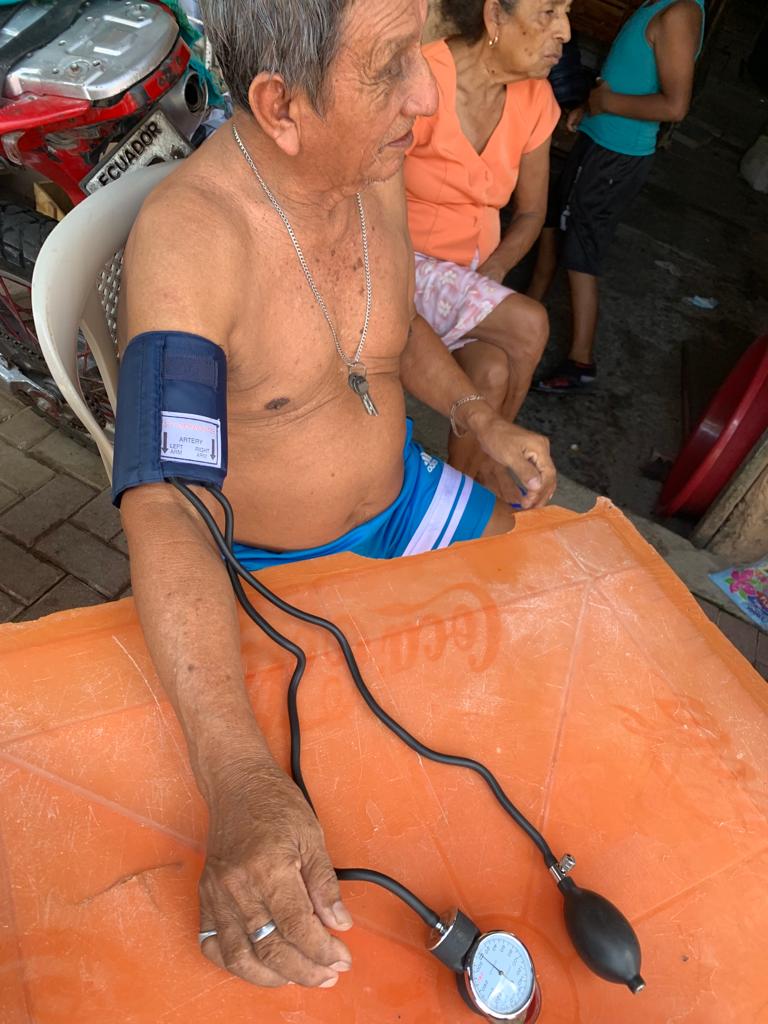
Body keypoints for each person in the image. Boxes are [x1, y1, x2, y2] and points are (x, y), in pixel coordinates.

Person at [116, 0, 556, 994]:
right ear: (282, 104)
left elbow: (392, 314)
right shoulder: (192, 238)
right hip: (273, 571)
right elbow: (166, 501)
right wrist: (237, 780)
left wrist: (476, 418)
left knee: (543, 624)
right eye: (394, 65)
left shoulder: (373, 162)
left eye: (423, 53)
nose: (426, 96)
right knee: (352, 819)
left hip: (407, 500)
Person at [404, 0, 571, 499]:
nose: (564, 31)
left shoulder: (536, 100)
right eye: (548, 12)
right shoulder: (422, 77)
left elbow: (531, 213)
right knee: (529, 323)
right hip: (399, 263)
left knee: (493, 371)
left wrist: (494, 269)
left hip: (469, 279)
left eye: (566, 13)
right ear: (495, 16)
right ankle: (497, 462)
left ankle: (461, 491)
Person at [529, 0, 705, 392]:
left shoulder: (680, 12)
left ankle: (580, 360)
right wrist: (589, 108)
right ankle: (522, 307)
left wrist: (605, 103)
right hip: (601, 137)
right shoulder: (657, 4)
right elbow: (629, 74)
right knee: (554, 220)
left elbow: (675, 106)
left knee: (580, 248)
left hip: (617, 153)